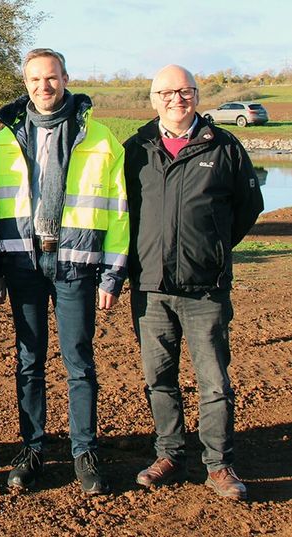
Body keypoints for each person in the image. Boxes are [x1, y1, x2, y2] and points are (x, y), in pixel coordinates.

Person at [0, 48, 128, 495]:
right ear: (25, 84)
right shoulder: (6, 139)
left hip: (75, 264)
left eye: (51, 78)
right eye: (34, 80)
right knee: (28, 360)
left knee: (78, 362)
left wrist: (112, 274)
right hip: (22, 263)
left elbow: (118, 210)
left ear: (65, 78)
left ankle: (84, 452)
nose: (43, 87)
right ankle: (32, 450)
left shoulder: (99, 137)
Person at [124, 64, 263, 500]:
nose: (176, 99)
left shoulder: (224, 146)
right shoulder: (136, 148)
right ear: (153, 99)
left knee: (214, 381)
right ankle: (169, 454)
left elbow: (248, 206)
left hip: (205, 288)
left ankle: (219, 464)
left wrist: (213, 248)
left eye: (184, 91)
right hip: (151, 287)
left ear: (197, 96)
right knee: (158, 378)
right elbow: (121, 213)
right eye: (166, 92)